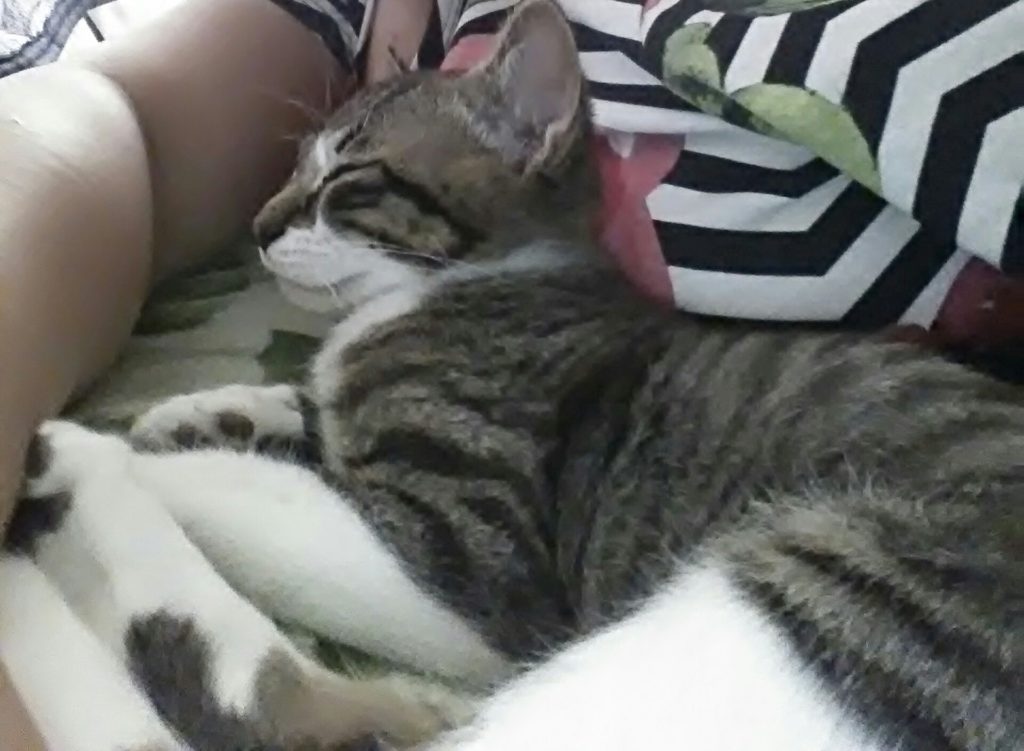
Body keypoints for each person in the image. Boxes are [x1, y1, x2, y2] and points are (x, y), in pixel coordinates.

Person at [0, 1, 1020, 747]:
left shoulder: (497, 332)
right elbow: (105, 110)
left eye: (342, 187)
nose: (273, 224)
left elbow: (468, 585)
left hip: (961, 563)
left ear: (531, 142)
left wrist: (136, 485)